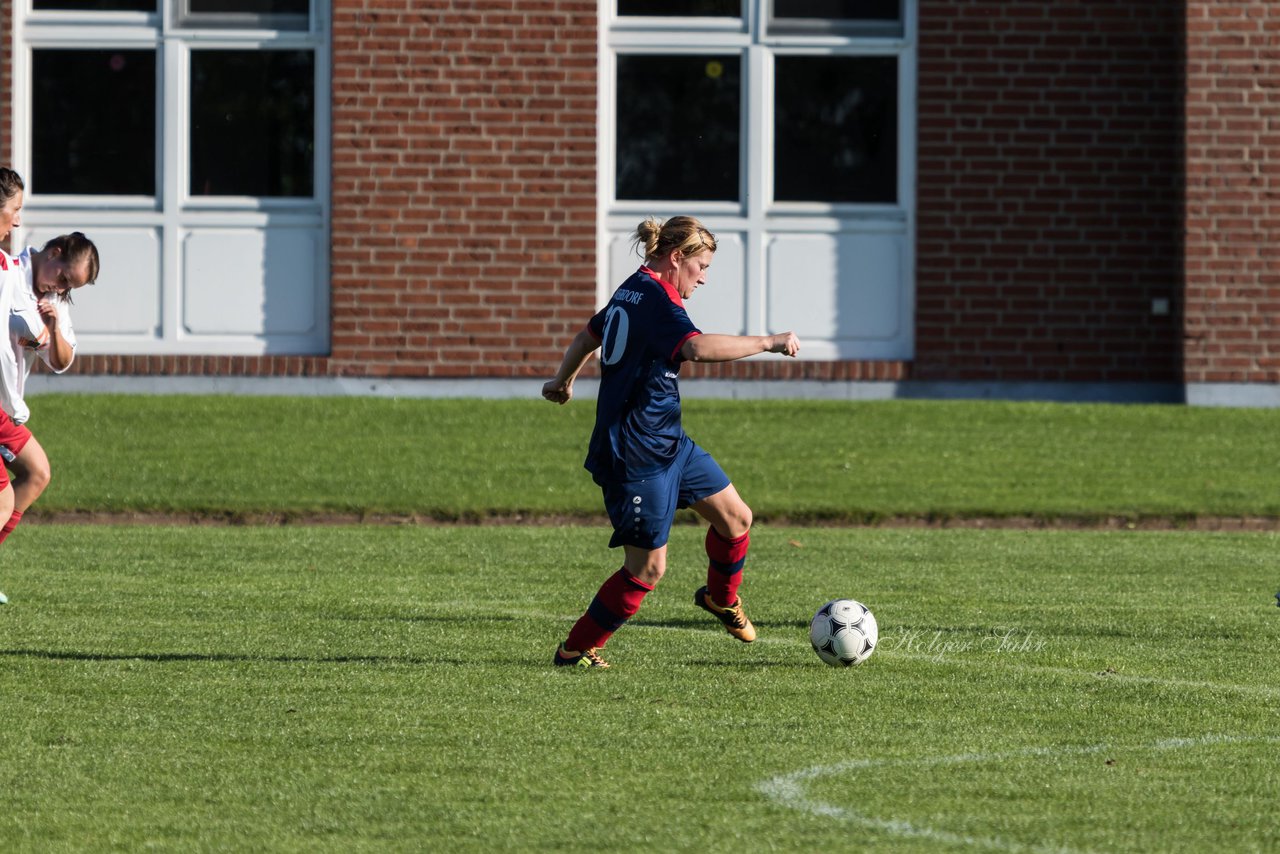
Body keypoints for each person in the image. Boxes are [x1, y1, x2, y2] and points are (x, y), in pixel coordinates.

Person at [542, 215, 800, 668]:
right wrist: (768, 342)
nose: (703, 279)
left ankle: (720, 600)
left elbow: (589, 335)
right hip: (635, 455)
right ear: (676, 258)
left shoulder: (633, 287)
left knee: (737, 519)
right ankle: (575, 650)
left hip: (669, 441)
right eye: (701, 267)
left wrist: (563, 380)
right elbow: (695, 348)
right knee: (647, 568)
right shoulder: (658, 301)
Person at [0, 230, 100, 605]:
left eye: (70, 287)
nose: (61, 288)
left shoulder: (54, 302)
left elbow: (62, 361)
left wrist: (55, 328)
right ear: (55, 253)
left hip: (7, 410)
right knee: (5, 499)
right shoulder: (8, 273)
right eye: (63, 278)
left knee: (38, 474)